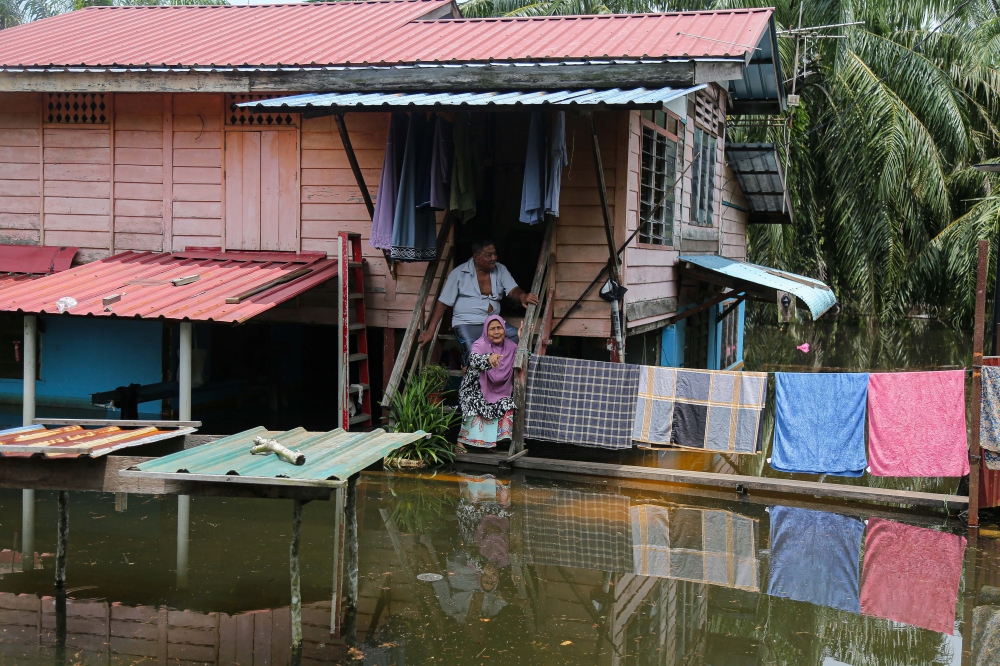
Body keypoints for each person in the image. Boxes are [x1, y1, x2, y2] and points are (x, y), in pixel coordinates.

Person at [417, 238, 538, 365]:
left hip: (493, 322)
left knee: (520, 340)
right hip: (467, 323)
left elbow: (513, 289)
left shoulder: (500, 270)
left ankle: (507, 380)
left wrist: (522, 296)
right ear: (476, 256)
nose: (494, 258)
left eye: (495, 254)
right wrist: (430, 331)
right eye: (489, 255)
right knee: (474, 353)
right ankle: (471, 372)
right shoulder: (459, 273)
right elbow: (443, 303)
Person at [457, 315, 517, 450]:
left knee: (507, 403)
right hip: (475, 389)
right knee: (475, 402)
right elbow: (473, 360)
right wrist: (488, 358)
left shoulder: (511, 346)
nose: (496, 332)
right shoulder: (480, 344)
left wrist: (524, 339)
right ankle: (461, 441)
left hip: (500, 390)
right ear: (486, 331)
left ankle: (490, 442)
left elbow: (523, 357)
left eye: (499, 328)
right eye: (492, 329)